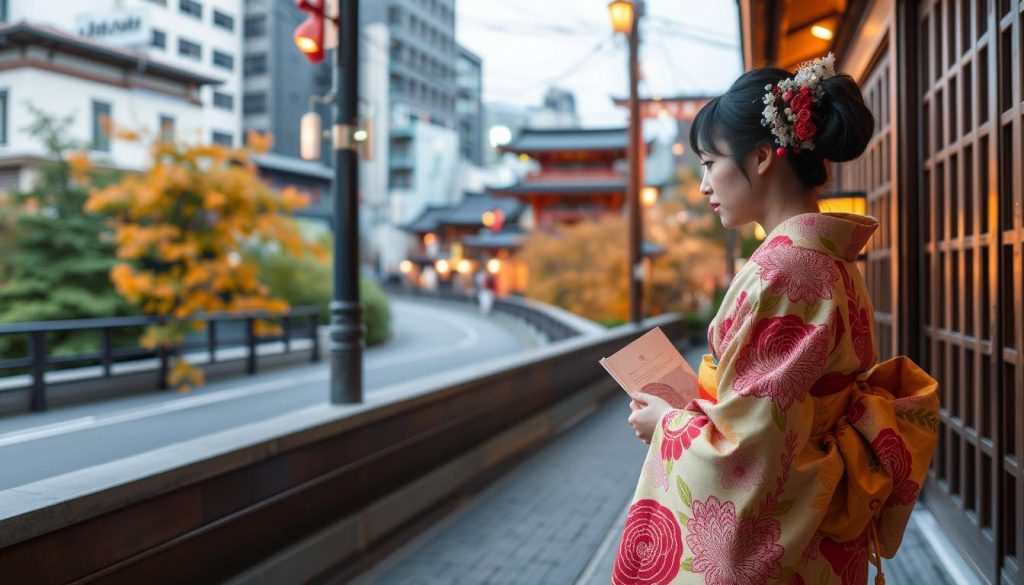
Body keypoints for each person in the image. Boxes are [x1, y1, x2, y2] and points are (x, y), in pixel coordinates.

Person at [613, 54, 939, 585]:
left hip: (791, 544)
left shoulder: (786, 270)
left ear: (763, 156)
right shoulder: (829, 258)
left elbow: (753, 446)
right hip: (821, 520)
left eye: (709, 162)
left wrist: (666, 426)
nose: (703, 185)